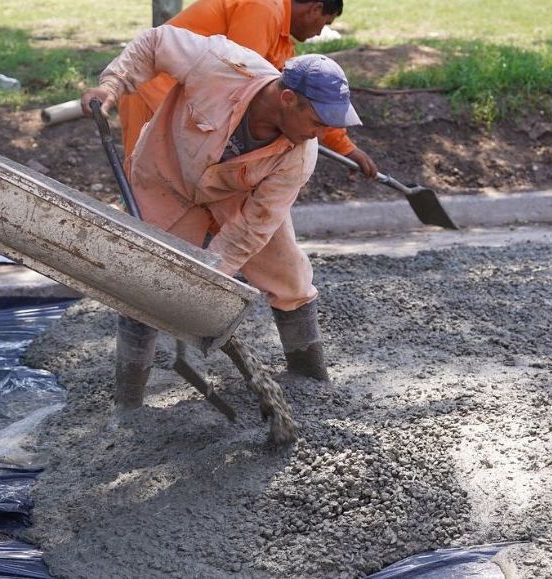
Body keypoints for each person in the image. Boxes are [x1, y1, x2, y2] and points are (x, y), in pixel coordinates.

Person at [82, 25, 361, 409]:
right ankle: (128, 405)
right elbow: (156, 42)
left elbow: (251, 229)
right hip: (167, 176)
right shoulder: (222, 64)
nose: (322, 133)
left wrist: (209, 277)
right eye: (317, 121)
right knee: (141, 283)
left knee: (292, 279)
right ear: (286, 98)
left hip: (238, 197)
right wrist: (112, 85)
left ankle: (311, 382)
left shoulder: (299, 156)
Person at [118, 0, 377, 178]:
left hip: (190, 100)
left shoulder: (281, 38)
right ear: (315, 8)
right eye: (326, 22)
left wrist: (344, 147)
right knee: (147, 179)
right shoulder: (263, 8)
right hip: (156, 89)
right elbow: (240, 78)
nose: (321, 31)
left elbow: (303, 101)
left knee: (176, 186)